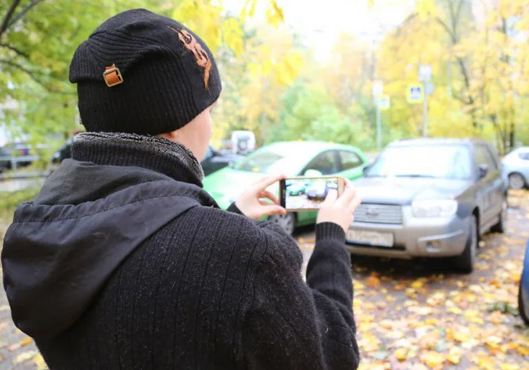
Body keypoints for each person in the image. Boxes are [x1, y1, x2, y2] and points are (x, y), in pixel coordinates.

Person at [1, 9, 361, 370]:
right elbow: (333, 356)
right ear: (174, 123)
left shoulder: (38, 241)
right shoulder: (247, 256)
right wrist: (330, 238)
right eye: (208, 109)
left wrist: (224, 218)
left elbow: (145, 268)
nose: (210, 123)